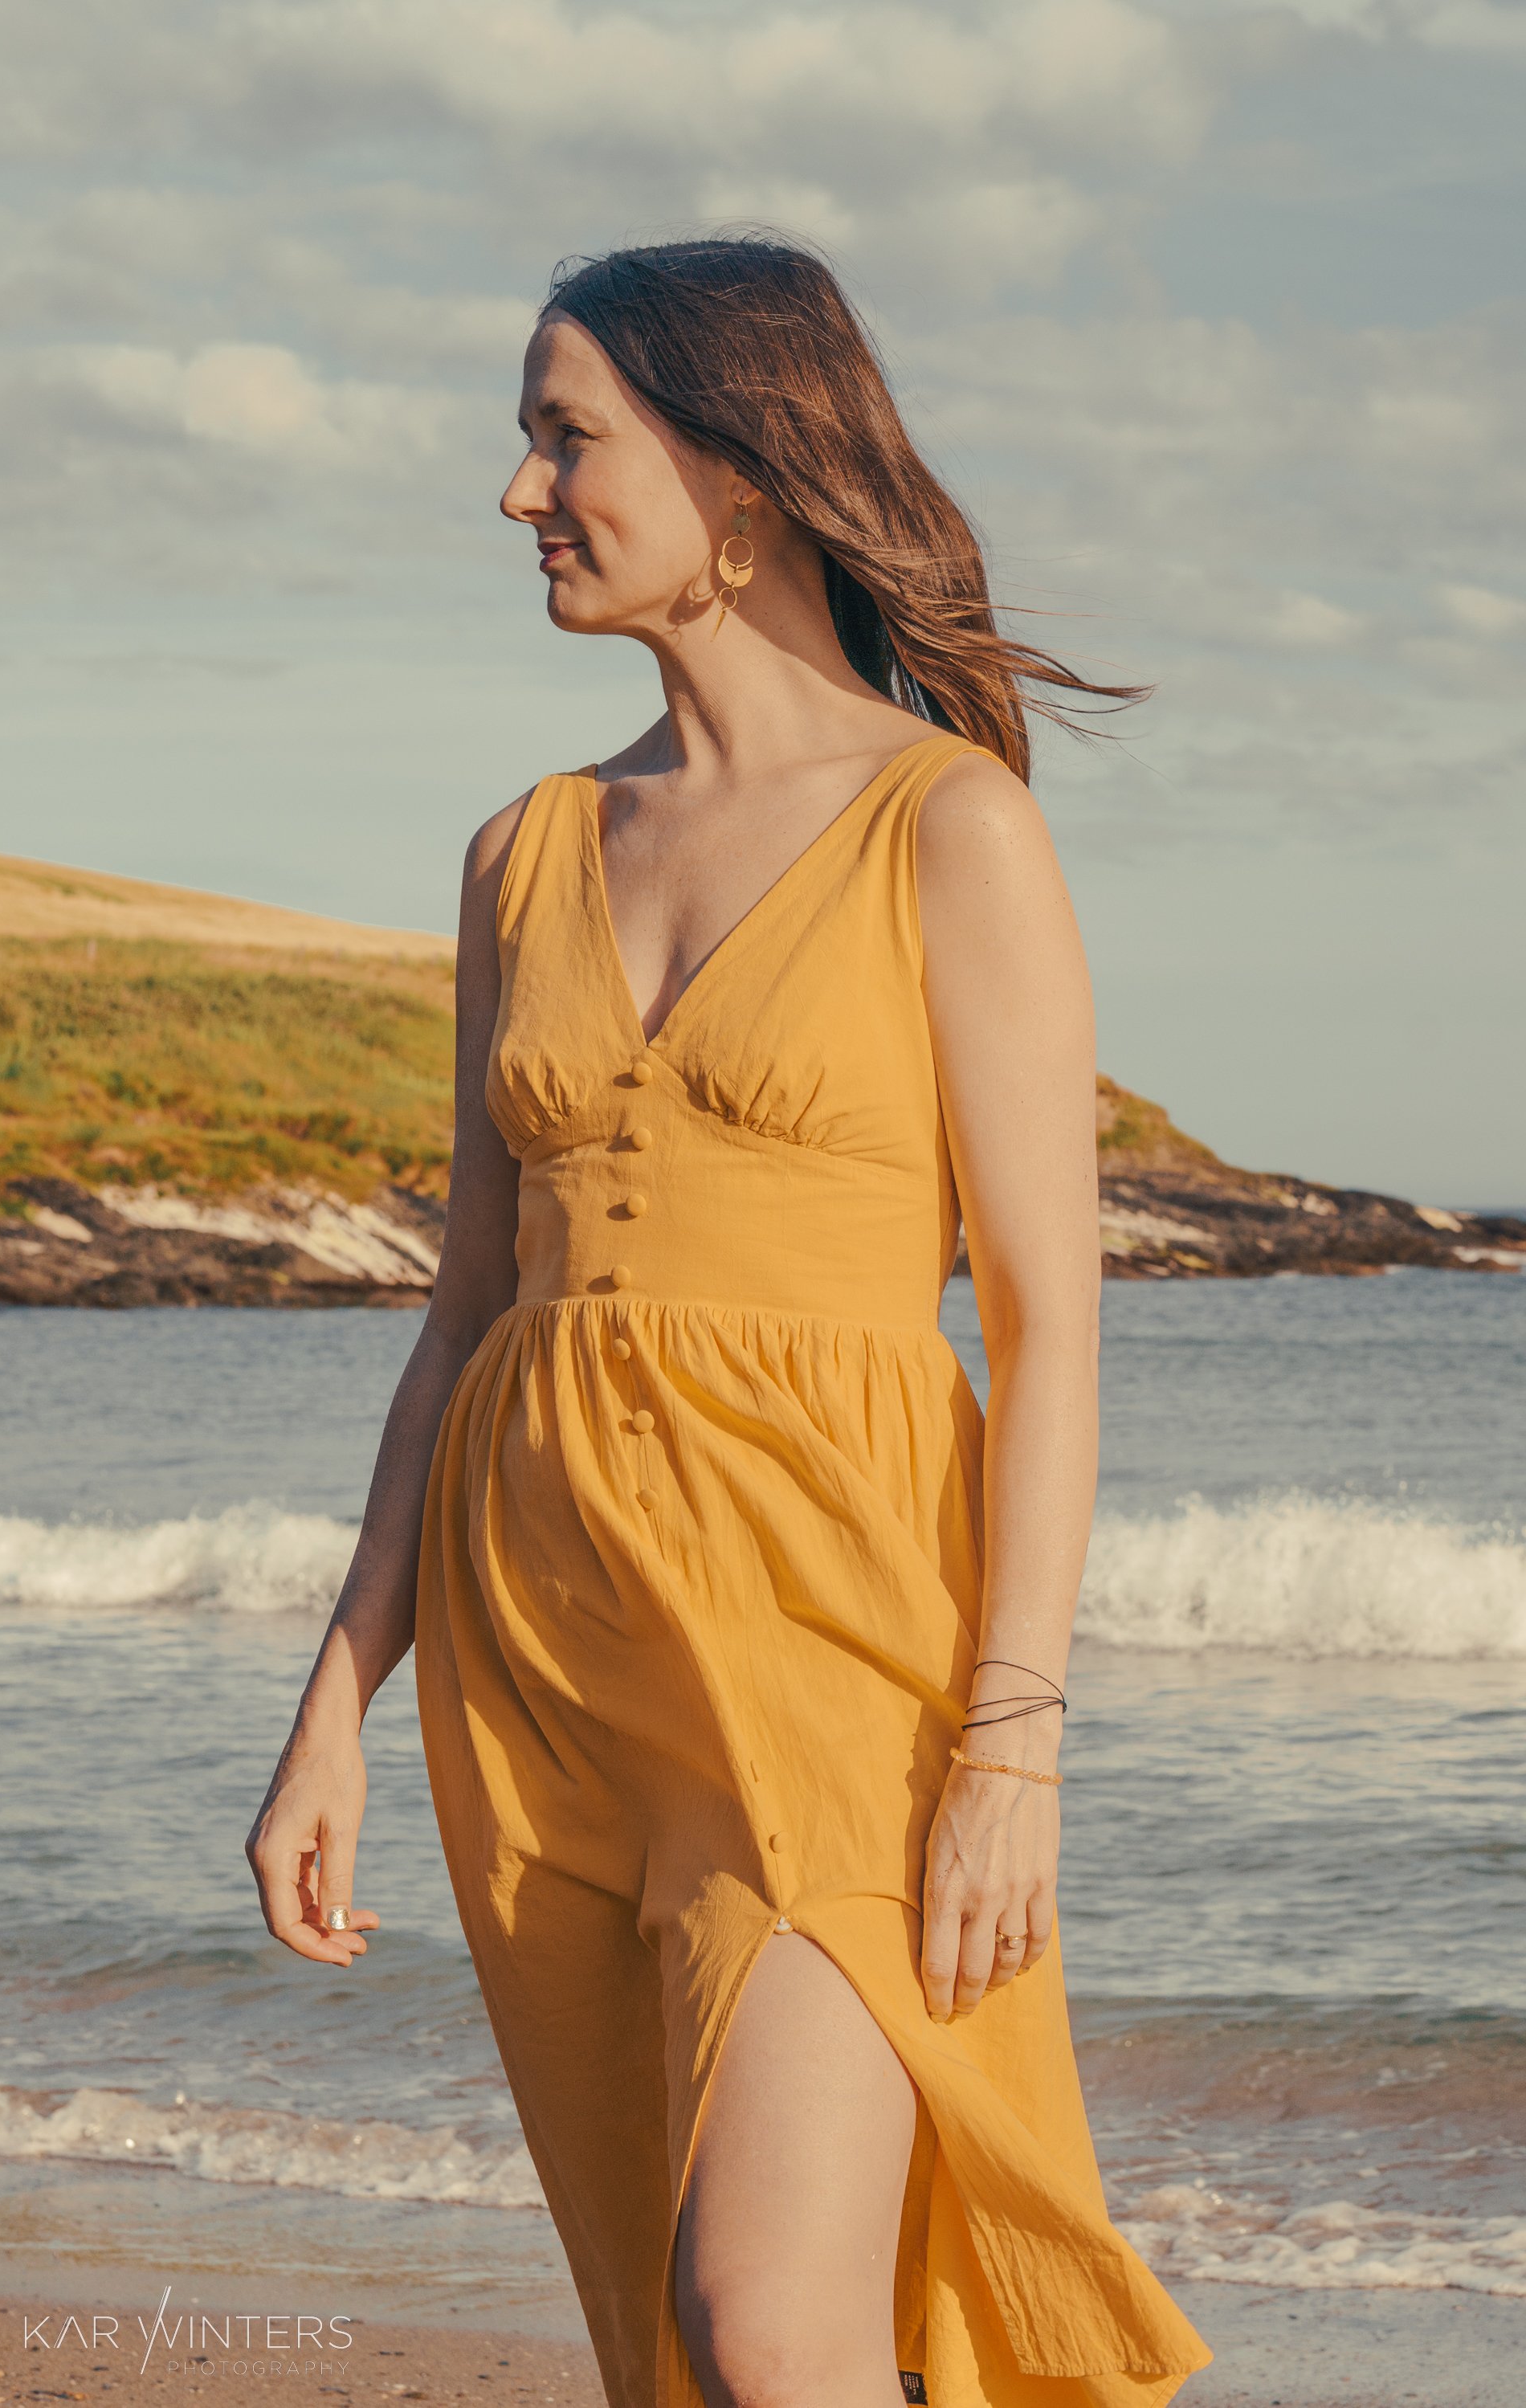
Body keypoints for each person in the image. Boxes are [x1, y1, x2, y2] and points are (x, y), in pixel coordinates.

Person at [247, 235, 1211, 2408]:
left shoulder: (945, 830)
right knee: (670, 2334)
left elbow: (1051, 1325)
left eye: (566, 434)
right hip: (542, 1660)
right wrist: (334, 1701)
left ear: (744, 477)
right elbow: (466, 1305)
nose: (520, 493)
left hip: (835, 1638)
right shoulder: (524, 853)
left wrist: (1014, 1742)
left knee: (765, 2323)